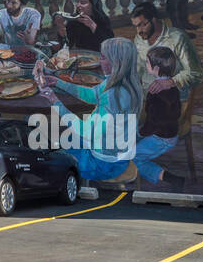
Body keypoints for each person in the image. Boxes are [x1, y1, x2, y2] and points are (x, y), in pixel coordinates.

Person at [37, 37, 143, 183]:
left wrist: (55, 101)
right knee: (60, 139)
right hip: (117, 154)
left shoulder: (114, 95)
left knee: (50, 156)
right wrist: (59, 83)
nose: (100, 61)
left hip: (103, 164)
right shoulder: (125, 83)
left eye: (104, 57)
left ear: (116, 62)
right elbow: (93, 95)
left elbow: (88, 132)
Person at [129, 2, 203, 104]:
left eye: (142, 25)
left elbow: (196, 74)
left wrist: (170, 82)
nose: (139, 31)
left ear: (154, 20)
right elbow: (138, 69)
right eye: (136, 26)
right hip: (146, 98)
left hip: (171, 100)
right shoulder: (139, 39)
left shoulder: (177, 38)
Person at [136, 46, 187, 188]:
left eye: (147, 62)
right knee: (129, 137)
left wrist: (141, 133)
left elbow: (153, 122)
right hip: (168, 132)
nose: (145, 65)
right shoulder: (170, 86)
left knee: (132, 157)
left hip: (161, 138)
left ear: (156, 69)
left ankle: (171, 179)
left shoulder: (156, 90)